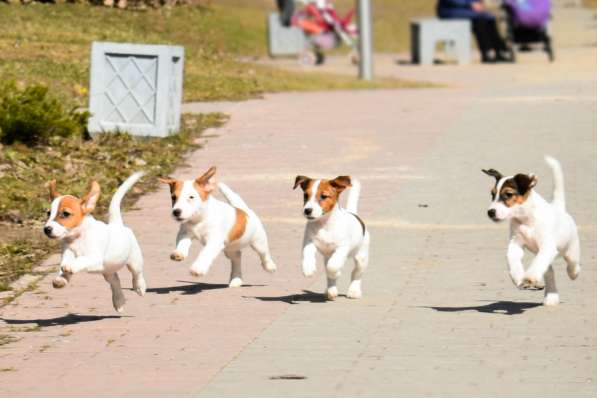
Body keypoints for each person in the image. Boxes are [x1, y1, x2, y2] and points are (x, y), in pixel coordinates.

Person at [437, 0, 511, 63]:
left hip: (468, 10)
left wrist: (479, 4)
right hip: (450, 10)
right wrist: (470, 4)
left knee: (490, 18)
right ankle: (487, 51)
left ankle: (500, 50)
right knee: (479, 20)